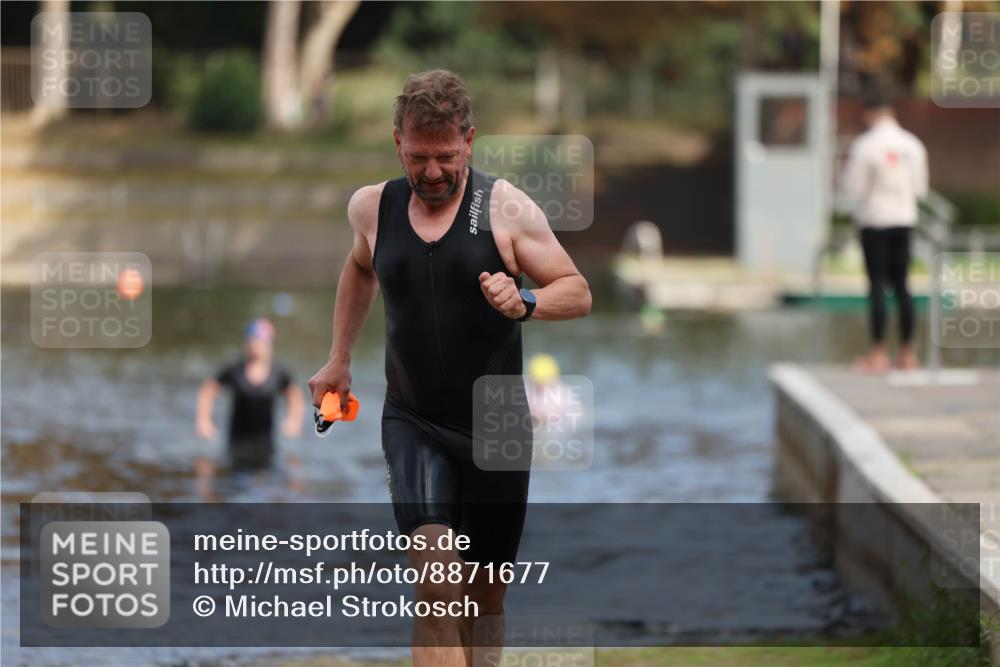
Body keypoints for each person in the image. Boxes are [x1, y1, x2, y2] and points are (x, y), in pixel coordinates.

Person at [308, 70, 591, 667]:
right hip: (413, 419)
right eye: (417, 157)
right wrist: (338, 359)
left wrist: (527, 302)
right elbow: (360, 270)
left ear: (469, 140)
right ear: (396, 144)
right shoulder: (372, 208)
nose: (431, 171)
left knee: (483, 598)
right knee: (436, 589)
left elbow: (577, 290)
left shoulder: (506, 208)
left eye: (444, 156)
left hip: (498, 426)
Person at [841, 91, 928, 373]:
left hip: (875, 220)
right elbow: (920, 189)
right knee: (903, 286)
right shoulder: (912, 145)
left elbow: (854, 188)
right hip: (904, 219)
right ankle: (907, 353)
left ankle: (878, 353)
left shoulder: (865, 146)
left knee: (877, 285)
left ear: (870, 114)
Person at [195, 318, 305, 500]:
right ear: (246, 343)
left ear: (269, 344)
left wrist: (294, 421)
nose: (256, 346)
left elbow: (294, 395)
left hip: (265, 442)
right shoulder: (235, 370)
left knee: (266, 486)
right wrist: (204, 421)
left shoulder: (278, 373)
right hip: (236, 442)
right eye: (252, 341)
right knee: (235, 488)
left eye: (261, 342)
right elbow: (208, 390)